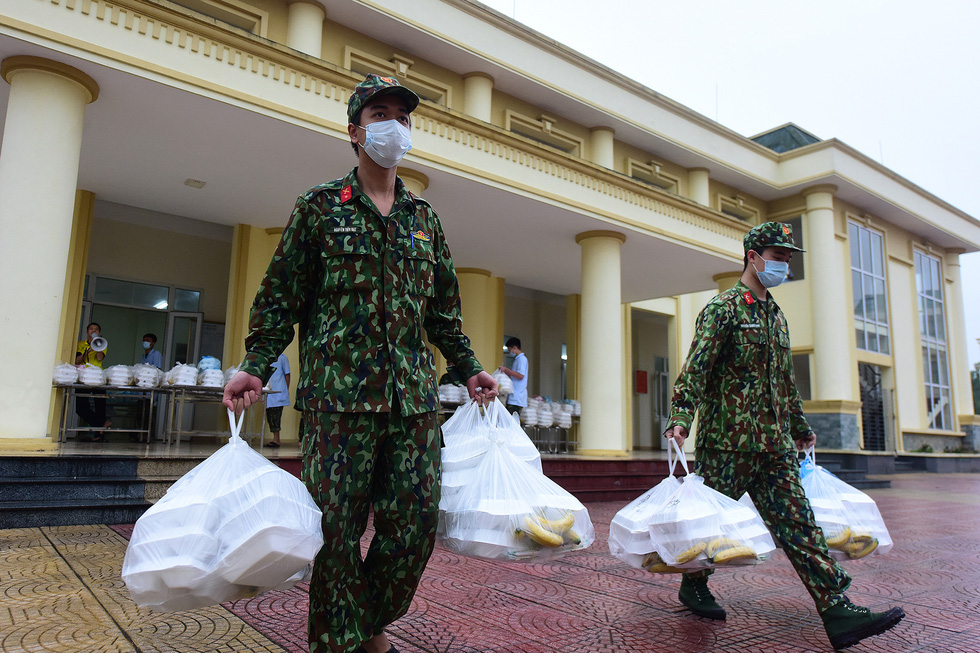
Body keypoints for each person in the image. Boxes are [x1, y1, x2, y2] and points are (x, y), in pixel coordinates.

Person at [222, 74, 498, 653]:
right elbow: (280, 298)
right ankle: (342, 644)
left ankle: (365, 625)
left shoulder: (425, 220)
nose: (394, 125)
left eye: (403, 115)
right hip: (338, 403)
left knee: (416, 525)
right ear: (354, 131)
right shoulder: (320, 208)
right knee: (337, 535)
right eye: (380, 114)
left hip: (412, 405)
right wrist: (255, 363)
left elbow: (443, 312)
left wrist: (468, 366)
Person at [663, 221, 904, 650]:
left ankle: (837, 608)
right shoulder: (723, 309)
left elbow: (784, 382)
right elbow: (696, 369)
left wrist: (798, 426)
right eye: (777, 258)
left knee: (800, 525)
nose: (784, 266)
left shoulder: (776, 315)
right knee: (710, 526)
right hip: (728, 445)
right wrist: (681, 417)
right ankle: (694, 584)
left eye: (788, 259)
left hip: (773, 447)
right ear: (752, 257)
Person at [75, 322, 110, 442]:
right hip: (83, 377)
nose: (93, 331)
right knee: (81, 408)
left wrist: (97, 345)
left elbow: (100, 358)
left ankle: (99, 435)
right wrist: (88, 351)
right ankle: (103, 423)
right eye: (91, 329)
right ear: (87, 331)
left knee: (100, 406)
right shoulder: (80, 344)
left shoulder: (102, 343)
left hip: (97, 378)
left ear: (99, 332)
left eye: (96, 329)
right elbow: (77, 360)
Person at [263, 352, 290, 448]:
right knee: (270, 415)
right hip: (268, 391)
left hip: (279, 391)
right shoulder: (266, 357)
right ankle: (275, 439)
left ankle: (276, 439)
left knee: (276, 415)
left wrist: (286, 389)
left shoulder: (283, 358)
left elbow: (287, 374)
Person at [497, 337, 528, 415]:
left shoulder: (522, 359)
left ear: (515, 347)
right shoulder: (517, 359)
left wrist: (506, 369)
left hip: (517, 397)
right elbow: (515, 375)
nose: (510, 352)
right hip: (514, 395)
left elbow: (520, 375)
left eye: (510, 350)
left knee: (512, 422)